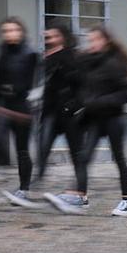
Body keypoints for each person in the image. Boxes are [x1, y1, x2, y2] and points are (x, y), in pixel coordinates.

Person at [44, 25, 127, 216]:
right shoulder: (86, 61)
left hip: (113, 118)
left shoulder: (115, 63)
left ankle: (126, 201)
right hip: (94, 118)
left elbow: (126, 93)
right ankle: (79, 196)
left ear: (106, 41)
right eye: (90, 40)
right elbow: (74, 76)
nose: (92, 43)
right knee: (83, 157)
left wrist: (100, 101)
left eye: (96, 40)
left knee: (119, 159)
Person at [0, 17, 40, 207]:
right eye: (6, 31)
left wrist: (32, 104)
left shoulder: (31, 53)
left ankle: (24, 188)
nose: (10, 34)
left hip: (23, 106)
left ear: (21, 31)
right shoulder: (1, 52)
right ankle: (5, 178)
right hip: (3, 103)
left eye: (13, 30)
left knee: (22, 149)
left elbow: (37, 82)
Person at [34, 20, 84, 193]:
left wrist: (73, 106)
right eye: (49, 35)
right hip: (49, 112)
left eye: (55, 35)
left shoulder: (71, 56)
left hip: (68, 113)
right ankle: (36, 182)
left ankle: (80, 187)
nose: (51, 38)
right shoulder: (45, 57)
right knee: (43, 148)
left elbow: (80, 85)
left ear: (63, 37)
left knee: (76, 152)